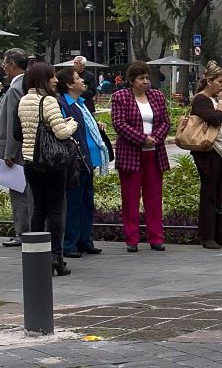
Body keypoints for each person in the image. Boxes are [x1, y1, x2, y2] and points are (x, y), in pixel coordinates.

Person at [19, 62, 79, 275]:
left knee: (38, 208)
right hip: (52, 162)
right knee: (56, 208)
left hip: (30, 161)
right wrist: (72, 124)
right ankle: (56, 257)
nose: (55, 80)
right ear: (44, 79)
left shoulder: (24, 100)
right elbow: (62, 133)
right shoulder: (49, 101)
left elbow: (21, 132)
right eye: (52, 76)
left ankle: (37, 255)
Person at [111, 61, 170, 253]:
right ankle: (132, 239)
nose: (145, 82)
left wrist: (155, 138)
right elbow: (119, 124)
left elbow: (165, 122)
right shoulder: (121, 97)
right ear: (131, 81)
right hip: (131, 154)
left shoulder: (157, 96)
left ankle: (156, 237)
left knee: (154, 197)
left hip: (154, 153)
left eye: (147, 78)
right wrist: (143, 138)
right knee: (130, 197)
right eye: (141, 78)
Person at [56, 67, 109, 259]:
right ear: (69, 84)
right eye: (78, 78)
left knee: (86, 202)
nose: (82, 81)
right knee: (74, 203)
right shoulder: (63, 104)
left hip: (88, 160)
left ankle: (85, 240)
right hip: (75, 161)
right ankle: (70, 243)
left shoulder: (82, 103)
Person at [190, 62, 222, 250]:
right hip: (208, 152)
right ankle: (207, 234)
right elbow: (216, 119)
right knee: (209, 193)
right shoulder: (201, 100)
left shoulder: (220, 100)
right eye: (219, 82)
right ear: (209, 81)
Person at [0, 49, 30, 247]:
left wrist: (9, 152)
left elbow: (12, 122)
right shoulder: (27, 83)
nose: (3, 67)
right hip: (24, 147)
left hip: (15, 150)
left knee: (19, 192)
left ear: (12, 64)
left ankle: (22, 232)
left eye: (4, 63)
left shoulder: (15, 88)